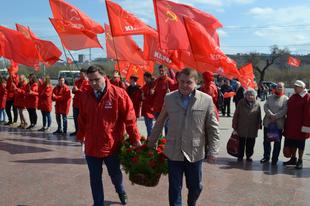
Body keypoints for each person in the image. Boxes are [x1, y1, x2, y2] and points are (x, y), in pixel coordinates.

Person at [148, 68, 220, 206]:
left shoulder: (206, 100)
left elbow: (213, 128)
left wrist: (213, 151)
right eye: (182, 82)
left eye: (189, 82)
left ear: (196, 82)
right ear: (177, 81)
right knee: (175, 188)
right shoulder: (169, 98)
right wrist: (150, 144)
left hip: (195, 152)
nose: (185, 85)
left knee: (196, 187)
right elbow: (159, 122)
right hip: (173, 151)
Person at [77, 65, 141, 206]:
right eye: (90, 80)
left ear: (105, 77)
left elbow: (130, 118)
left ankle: (120, 190)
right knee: (95, 178)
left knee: (115, 175)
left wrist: (135, 139)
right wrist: (80, 136)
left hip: (112, 145)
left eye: (96, 79)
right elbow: (82, 118)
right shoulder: (85, 95)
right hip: (92, 146)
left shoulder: (119, 94)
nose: (93, 83)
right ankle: (98, 203)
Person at [283, 80, 310, 169]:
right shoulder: (293, 96)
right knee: (292, 143)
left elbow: (308, 113)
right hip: (291, 125)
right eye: (294, 86)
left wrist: (306, 127)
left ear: (302, 88)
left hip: (301, 126)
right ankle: (293, 159)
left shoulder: (307, 97)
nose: (295, 88)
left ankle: (300, 160)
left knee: (300, 143)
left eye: (297, 86)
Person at [260, 82, 288, 165]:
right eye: (278, 87)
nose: (279, 88)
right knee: (266, 141)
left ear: (283, 89)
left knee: (277, 142)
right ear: (275, 88)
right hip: (268, 123)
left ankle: (275, 159)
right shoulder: (269, 97)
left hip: (278, 124)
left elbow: (285, 110)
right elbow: (265, 107)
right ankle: (266, 157)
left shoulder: (286, 99)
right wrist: (270, 115)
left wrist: (275, 116)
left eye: (281, 87)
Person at [232, 88, 262, 161]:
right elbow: (236, 114)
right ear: (245, 95)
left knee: (251, 142)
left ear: (255, 96)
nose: (250, 96)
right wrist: (234, 125)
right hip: (242, 126)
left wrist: (259, 124)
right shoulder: (241, 103)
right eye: (248, 95)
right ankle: (240, 155)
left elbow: (259, 115)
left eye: (252, 95)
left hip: (253, 127)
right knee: (241, 142)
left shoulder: (257, 104)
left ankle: (249, 155)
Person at [152, 65, 175, 135]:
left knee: (167, 126)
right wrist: (152, 93)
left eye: (162, 71)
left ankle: (166, 143)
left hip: (166, 108)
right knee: (158, 127)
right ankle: (160, 142)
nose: (161, 72)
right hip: (157, 108)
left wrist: (170, 92)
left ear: (166, 71)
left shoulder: (170, 82)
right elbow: (154, 95)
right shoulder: (156, 81)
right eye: (160, 71)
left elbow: (176, 95)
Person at [71, 69, 90, 136]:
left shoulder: (88, 82)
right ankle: (77, 131)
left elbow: (86, 92)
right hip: (76, 103)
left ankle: (83, 132)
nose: (80, 75)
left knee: (82, 119)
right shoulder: (77, 81)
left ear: (85, 74)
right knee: (75, 118)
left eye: (81, 73)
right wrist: (74, 90)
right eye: (80, 73)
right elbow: (73, 91)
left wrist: (78, 90)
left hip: (83, 104)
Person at [141, 72, 155, 136]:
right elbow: (142, 94)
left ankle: (150, 139)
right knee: (147, 125)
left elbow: (152, 97)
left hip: (150, 108)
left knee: (150, 125)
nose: (144, 79)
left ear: (149, 77)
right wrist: (142, 96)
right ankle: (149, 138)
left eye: (145, 78)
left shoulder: (153, 85)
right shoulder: (145, 86)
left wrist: (145, 97)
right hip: (145, 108)